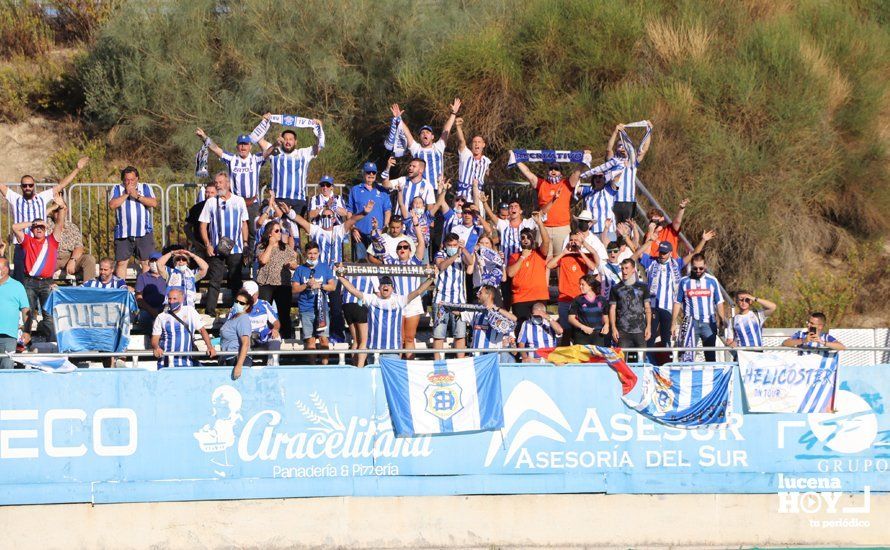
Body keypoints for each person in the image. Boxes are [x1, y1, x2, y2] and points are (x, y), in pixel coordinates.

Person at [2, 157, 88, 281]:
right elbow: (2, 187)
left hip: (40, 244)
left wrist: (77, 169)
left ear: (34, 186)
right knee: (20, 279)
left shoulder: (42, 198)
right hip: (22, 243)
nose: (27, 187)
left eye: (30, 185)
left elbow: (61, 185)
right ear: (21, 187)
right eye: (25, 185)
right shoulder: (15, 198)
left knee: (41, 279)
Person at [635, 230, 714, 363]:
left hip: (668, 308)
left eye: (665, 253)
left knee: (666, 339)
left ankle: (666, 367)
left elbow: (694, 253)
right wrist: (644, 240)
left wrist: (703, 240)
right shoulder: (651, 261)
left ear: (670, 253)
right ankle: (647, 365)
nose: (662, 255)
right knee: (650, 337)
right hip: (652, 308)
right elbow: (636, 252)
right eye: (660, 252)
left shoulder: (676, 263)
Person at [195, 126, 268, 257]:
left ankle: (250, 261)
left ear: (250, 146)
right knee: (232, 231)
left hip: (252, 203)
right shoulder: (232, 159)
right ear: (237, 147)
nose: (243, 147)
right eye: (241, 145)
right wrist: (204, 137)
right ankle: (233, 258)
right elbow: (216, 149)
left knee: (253, 233)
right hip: (235, 203)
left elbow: (269, 152)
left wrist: (277, 143)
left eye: (246, 145)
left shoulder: (256, 159)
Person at [338, 273, 435, 360]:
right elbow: (352, 290)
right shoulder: (372, 299)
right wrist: (340, 276)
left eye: (388, 284)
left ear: (392, 289)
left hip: (392, 351)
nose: (386, 286)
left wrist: (431, 278)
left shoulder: (399, 300)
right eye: (383, 284)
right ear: (379, 288)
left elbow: (418, 291)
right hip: (373, 350)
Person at [13, 193, 67, 345]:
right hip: (30, 282)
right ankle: (26, 343)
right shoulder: (27, 240)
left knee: (48, 314)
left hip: (47, 283)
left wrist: (62, 207)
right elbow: (15, 227)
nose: (38, 229)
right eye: (36, 228)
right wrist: (32, 222)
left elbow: (60, 224)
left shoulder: (52, 240)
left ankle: (52, 344)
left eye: (41, 227)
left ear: (45, 228)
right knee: (28, 313)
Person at [199, 172, 249, 317]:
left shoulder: (239, 201)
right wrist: (207, 244)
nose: (218, 185)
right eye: (216, 182)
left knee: (235, 280)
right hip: (216, 248)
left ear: (227, 183)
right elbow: (203, 225)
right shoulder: (211, 202)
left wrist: (245, 243)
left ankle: (238, 311)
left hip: (236, 247)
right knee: (215, 280)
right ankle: (210, 312)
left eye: (220, 182)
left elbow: (244, 223)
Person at [514, 160, 583, 257]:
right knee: (543, 259)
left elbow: (577, 173)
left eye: (557, 169)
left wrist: (583, 161)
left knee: (561, 259)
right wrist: (516, 160)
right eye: (551, 169)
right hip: (543, 227)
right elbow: (527, 172)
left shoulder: (567, 183)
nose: (553, 171)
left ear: (561, 172)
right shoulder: (541, 183)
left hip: (562, 228)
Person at [671, 253, 727, 363]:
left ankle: (711, 380)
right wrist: (673, 323)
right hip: (690, 324)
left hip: (708, 323)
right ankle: (686, 379)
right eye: (695, 268)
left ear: (705, 266)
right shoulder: (684, 281)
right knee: (686, 357)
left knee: (710, 357)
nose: (698, 270)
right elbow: (677, 303)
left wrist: (722, 319)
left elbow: (719, 302)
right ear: (691, 266)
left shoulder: (712, 280)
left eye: (701, 268)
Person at [392, 98, 460, 186]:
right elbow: (407, 133)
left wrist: (453, 113)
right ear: (420, 137)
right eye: (422, 133)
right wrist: (398, 119)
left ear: (432, 137)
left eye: (428, 132)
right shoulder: (416, 149)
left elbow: (446, 130)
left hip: (437, 188)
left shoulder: (438, 147)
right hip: (420, 189)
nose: (425, 134)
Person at [264, 118, 325, 215]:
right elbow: (258, 140)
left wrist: (319, 126)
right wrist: (264, 121)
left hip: (298, 200)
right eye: (285, 139)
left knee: (295, 229)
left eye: (291, 139)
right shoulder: (275, 152)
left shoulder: (303, 153)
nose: (288, 142)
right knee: (278, 228)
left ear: (295, 141)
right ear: (282, 140)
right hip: (279, 199)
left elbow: (320, 146)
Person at [547, 231, 601, 339]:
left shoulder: (585, 256)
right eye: (571, 240)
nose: (573, 242)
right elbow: (549, 265)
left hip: (580, 299)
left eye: (575, 240)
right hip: (564, 299)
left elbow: (592, 267)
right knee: (565, 331)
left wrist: (580, 251)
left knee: (579, 331)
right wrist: (563, 252)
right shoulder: (564, 256)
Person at [108, 165, 159, 278]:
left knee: (146, 262)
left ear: (137, 178)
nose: (129, 182)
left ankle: (146, 291)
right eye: (126, 180)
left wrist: (138, 196)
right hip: (123, 232)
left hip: (144, 231)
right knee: (121, 262)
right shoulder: (117, 188)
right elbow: (112, 205)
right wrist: (126, 194)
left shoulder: (145, 187)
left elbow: (154, 203)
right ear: (123, 180)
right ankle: (122, 291)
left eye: (132, 179)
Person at [292, 242, 337, 365]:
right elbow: (294, 289)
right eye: (310, 253)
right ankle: (313, 368)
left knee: (323, 339)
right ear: (305, 253)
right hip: (306, 308)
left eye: (315, 253)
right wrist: (306, 285)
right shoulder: (300, 269)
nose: (312, 256)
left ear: (319, 253)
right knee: (310, 340)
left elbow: (332, 287)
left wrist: (320, 285)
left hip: (322, 308)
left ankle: (325, 367)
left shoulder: (324, 267)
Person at [432, 232, 475, 358]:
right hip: (441, 300)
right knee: (439, 334)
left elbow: (470, 261)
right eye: (450, 245)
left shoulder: (462, 254)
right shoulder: (440, 254)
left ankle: (460, 362)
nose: (452, 247)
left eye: (454, 245)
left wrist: (463, 249)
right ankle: (438, 363)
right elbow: (441, 266)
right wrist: (456, 254)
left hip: (459, 301)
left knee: (460, 334)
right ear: (445, 244)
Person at [151, 288, 215, 369]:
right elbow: (155, 338)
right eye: (170, 298)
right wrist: (156, 347)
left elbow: (202, 330)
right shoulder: (161, 316)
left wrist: (210, 347)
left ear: (182, 299)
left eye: (174, 299)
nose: (171, 301)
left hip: (186, 361)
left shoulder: (190, 311)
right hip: (166, 362)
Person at [255, 220, 299, 339]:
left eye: (280, 230)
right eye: (277, 231)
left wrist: (291, 264)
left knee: (284, 313)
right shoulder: (261, 246)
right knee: (264, 313)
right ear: (270, 233)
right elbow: (263, 260)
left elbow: (295, 263)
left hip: (282, 284)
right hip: (266, 283)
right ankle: (264, 338)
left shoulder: (285, 248)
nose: (280, 233)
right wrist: (270, 245)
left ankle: (286, 340)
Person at [506, 212, 550, 325]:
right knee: (521, 330)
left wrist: (540, 223)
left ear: (533, 240)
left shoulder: (539, 254)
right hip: (520, 299)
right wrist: (522, 257)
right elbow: (510, 273)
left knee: (540, 329)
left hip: (539, 297)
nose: (525, 240)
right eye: (523, 238)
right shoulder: (514, 256)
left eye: (528, 237)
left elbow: (546, 241)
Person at [607, 121, 653, 222]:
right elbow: (609, 149)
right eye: (619, 145)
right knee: (615, 231)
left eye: (624, 145)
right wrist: (615, 132)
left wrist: (649, 131)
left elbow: (644, 149)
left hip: (629, 202)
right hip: (614, 201)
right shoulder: (613, 161)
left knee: (627, 230)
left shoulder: (633, 162)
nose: (622, 147)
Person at [227, 281, 282, 365]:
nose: (248, 298)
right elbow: (229, 324)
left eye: (251, 295)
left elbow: (276, 322)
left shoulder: (264, 304)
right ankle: (244, 365)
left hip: (262, 336)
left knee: (276, 337)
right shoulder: (238, 305)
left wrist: (275, 329)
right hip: (245, 337)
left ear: (257, 294)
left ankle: (273, 365)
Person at [609, 258, 652, 362]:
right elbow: (612, 309)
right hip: (623, 331)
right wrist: (613, 328)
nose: (624, 271)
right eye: (622, 268)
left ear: (633, 270)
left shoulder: (643, 287)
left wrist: (649, 327)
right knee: (622, 363)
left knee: (641, 362)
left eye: (627, 268)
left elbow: (647, 308)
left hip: (640, 330)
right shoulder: (615, 288)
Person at [347, 162, 392, 260]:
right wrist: (353, 228)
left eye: (373, 173)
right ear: (363, 173)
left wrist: (384, 227)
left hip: (377, 233)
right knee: (361, 264)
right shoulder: (355, 190)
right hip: (359, 233)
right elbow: (349, 211)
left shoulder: (383, 190)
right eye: (368, 172)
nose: (371, 175)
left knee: (378, 262)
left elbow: (387, 211)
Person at [340, 263, 378, 368]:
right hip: (360, 304)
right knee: (364, 340)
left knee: (355, 340)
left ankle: (354, 364)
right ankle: (360, 367)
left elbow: (342, 292)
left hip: (347, 305)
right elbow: (378, 292)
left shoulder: (350, 273)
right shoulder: (370, 272)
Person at [48, 204, 96, 283]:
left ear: (66, 211)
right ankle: (47, 290)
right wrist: (53, 207)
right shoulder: (47, 223)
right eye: (56, 211)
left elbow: (79, 246)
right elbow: (36, 216)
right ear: (52, 212)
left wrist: (73, 260)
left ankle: (88, 289)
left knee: (89, 259)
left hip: (68, 256)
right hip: (51, 256)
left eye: (61, 210)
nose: (59, 213)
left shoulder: (72, 227)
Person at [470, 284, 518, 363]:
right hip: (476, 357)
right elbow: (458, 312)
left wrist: (496, 309)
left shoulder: (499, 313)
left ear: (489, 295)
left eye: (480, 293)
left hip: (492, 358)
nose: (477, 295)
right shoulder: (476, 312)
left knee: (507, 355)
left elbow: (514, 319)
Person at [454, 116, 491, 203]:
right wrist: (458, 127)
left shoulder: (486, 160)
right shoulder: (466, 155)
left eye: (479, 142)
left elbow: (488, 174)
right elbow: (462, 141)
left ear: (483, 145)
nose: (476, 144)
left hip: (478, 195)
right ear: (471, 145)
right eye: (474, 142)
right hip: (463, 195)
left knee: (478, 216)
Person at [0, 258, 29, 368]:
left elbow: (26, 310)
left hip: (9, 337)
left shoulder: (17, 286)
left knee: (7, 370)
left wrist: (27, 331)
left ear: (7, 269)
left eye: (1, 268)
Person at [220, 289, 253, 380]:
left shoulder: (243, 319)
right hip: (228, 358)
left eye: (241, 303)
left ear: (247, 306)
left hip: (237, 359)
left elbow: (245, 343)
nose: (238, 304)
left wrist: (239, 365)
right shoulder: (233, 317)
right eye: (236, 301)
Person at [568, 274, 609, 346]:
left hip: (598, 336)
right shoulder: (577, 300)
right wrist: (583, 327)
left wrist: (606, 325)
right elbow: (571, 318)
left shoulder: (602, 300)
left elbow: (605, 316)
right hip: (581, 336)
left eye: (582, 284)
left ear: (590, 286)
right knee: (582, 357)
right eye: (580, 284)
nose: (580, 287)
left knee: (597, 357)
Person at [782, 312, 846, 355]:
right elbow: (785, 343)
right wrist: (804, 340)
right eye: (808, 322)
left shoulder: (826, 337)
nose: (808, 325)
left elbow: (842, 347)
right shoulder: (801, 334)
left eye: (812, 323)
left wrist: (822, 342)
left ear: (820, 326)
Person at [135, 252, 167, 333]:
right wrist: (151, 310)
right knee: (144, 317)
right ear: (149, 263)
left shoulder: (168, 276)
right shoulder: (142, 277)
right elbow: (139, 298)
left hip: (165, 309)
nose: (154, 263)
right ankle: (150, 343)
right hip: (147, 310)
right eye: (152, 261)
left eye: (157, 261)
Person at [184, 181, 217, 255]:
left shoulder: (221, 208)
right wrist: (194, 242)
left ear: (217, 193)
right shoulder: (196, 208)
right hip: (201, 246)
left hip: (217, 246)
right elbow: (187, 227)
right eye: (207, 192)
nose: (209, 195)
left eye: (212, 193)